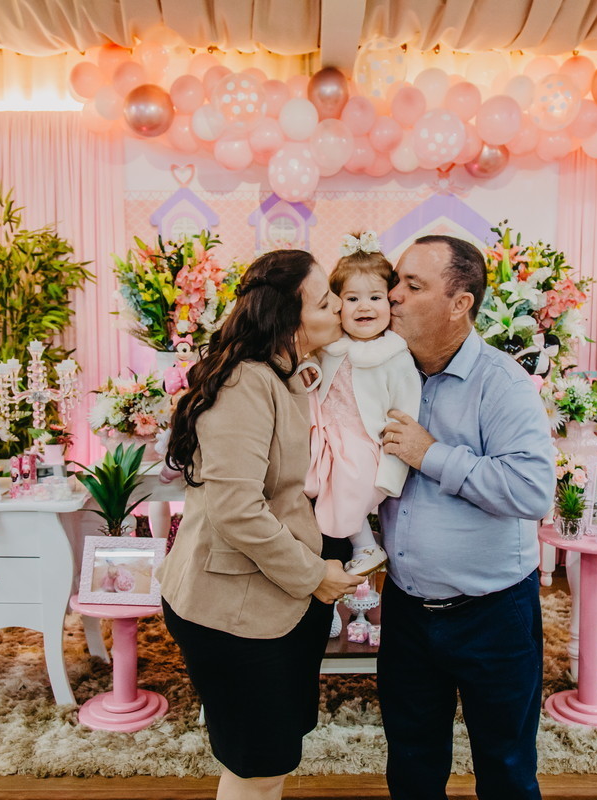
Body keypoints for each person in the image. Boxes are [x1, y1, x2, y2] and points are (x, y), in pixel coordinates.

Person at [160, 249, 365, 800]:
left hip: (274, 603)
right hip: (233, 612)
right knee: (258, 768)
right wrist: (314, 575)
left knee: (269, 762)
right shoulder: (245, 383)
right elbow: (237, 510)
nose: (340, 308)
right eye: (325, 302)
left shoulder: (283, 373)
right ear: (288, 319)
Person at [377, 234, 555, 800]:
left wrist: (431, 454)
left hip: (493, 615)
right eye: (396, 281)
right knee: (411, 765)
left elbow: (532, 491)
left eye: (413, 285)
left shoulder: (502, 384)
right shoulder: (384, 372)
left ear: (460, 304)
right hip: (406, 611)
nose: (393, 295)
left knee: (505, 770)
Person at [304, 231, 422, 576]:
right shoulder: (328, 347)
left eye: (375, 297)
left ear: (391, 301)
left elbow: (405, 418)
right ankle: (320, 557)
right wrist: (308, 370)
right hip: (325, 433)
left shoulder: (395, 357)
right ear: (337, 304)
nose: (364, 306)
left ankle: (364, 546)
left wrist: (392, 473)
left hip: (363, 444)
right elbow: (313, 374)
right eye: (352, 298)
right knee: (305, 478)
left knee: (346, 484)